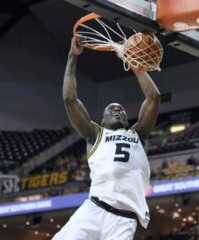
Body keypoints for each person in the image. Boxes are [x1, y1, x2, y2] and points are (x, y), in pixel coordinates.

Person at [52, 36, 161, 240]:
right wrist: (72, 57)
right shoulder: (95, 134)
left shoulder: (137, 134)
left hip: (124, 219)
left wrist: (134, 62)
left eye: (120, 109)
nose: (117, 110)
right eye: (111, 109)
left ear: (128, 121)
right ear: (101, 120)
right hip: (94, 210)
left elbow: (153, 97)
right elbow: (70, 99)